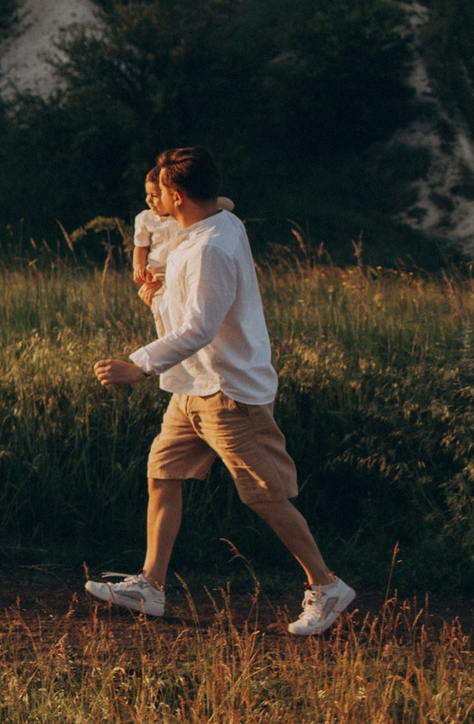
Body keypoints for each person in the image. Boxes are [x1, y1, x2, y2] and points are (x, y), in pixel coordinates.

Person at [87, 146, 355, 635]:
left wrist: (138, 367)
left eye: (162, 192)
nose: (155, 200)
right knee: (162, 474)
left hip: (229, 392)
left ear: (179, 195)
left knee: (265, 494)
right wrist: (158, 295)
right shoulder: (216, 224)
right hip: (191, 385)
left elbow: (200, 327)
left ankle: (327, 586)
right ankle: (150, 586)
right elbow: (187, 308)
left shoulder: (211, 246)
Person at [131, 171, 232, 323]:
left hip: (181, 273)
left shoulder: (182, 214)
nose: (149, 200)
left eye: (156, 195)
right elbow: (141, 247)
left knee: (185, 316)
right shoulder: (146, 218)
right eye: (147, 194)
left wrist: (199, 199)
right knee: (161, 312)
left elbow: (229, 204)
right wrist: (138, 266)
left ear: (173, 195)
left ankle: (186, 342)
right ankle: (168, 343)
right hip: (157, 276)